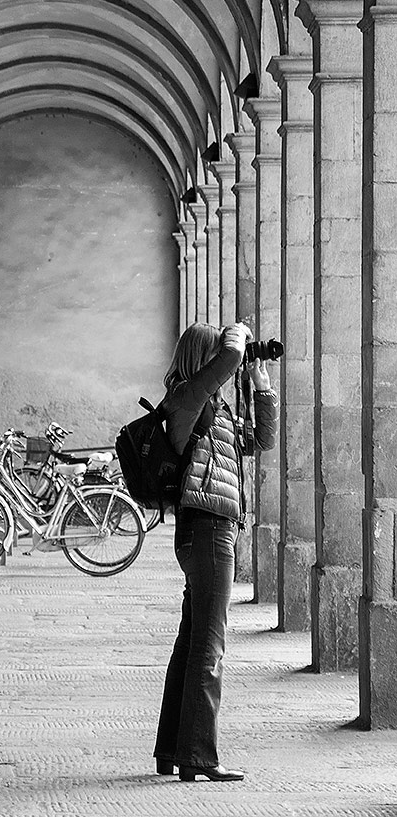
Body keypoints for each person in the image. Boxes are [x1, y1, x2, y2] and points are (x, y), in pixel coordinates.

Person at [153, 321, 278, 782]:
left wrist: (262, 389)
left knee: (192, 642)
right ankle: (198, 757)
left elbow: (261, 442)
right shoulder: (185, 398)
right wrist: (238, 333)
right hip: (206, 531)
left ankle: (172, 749)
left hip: (210, 530)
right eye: (218, 358)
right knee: (210, 645)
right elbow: (228, 357)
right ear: (204, 359)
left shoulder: (212, 409)